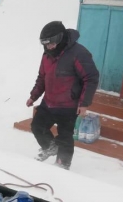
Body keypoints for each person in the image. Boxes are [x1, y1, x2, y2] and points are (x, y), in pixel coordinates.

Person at [26, 21, 99, 170]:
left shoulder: (78, 53)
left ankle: (62, 164)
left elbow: (90, 78)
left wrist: (84, 103)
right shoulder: (47, 54)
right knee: (37, 126)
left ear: (60, 38)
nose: (48, 47)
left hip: (68, 105)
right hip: (49, 101)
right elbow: (42, 77)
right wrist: (34, 96)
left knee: (65, 137)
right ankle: (50, 147)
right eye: (45, 45)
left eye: (51, 44)